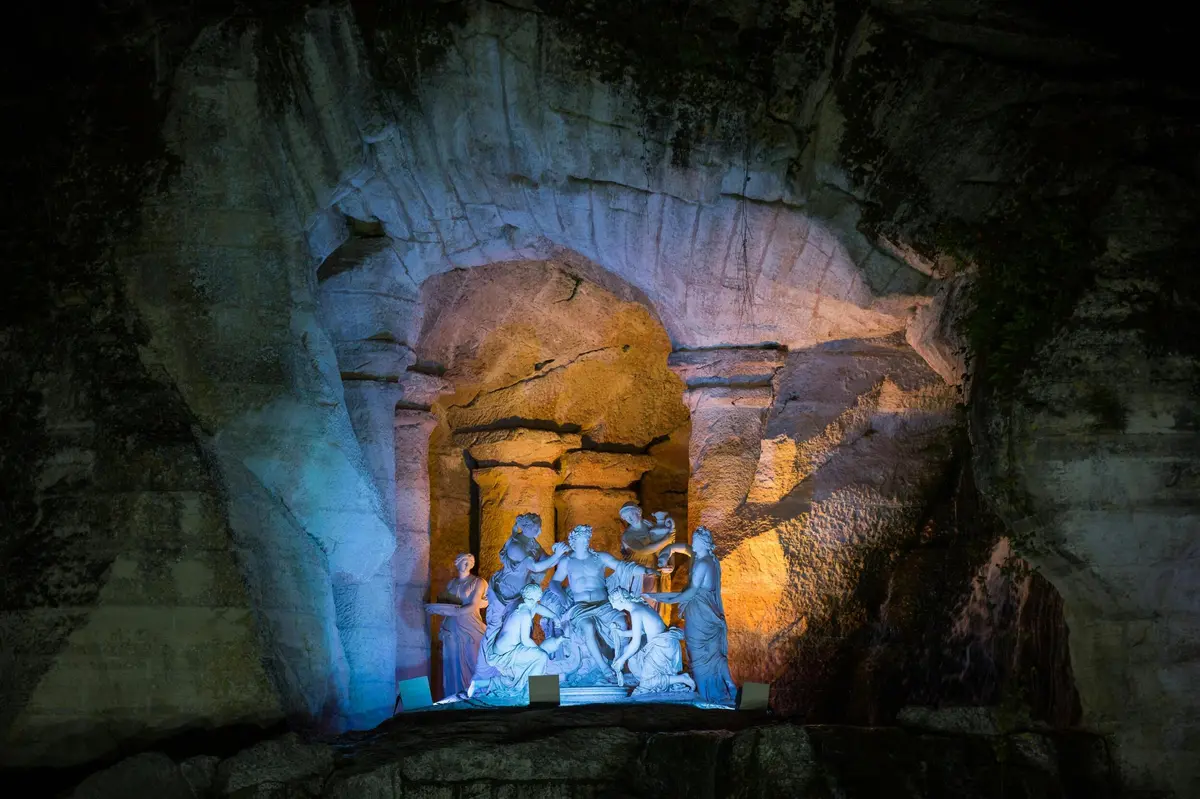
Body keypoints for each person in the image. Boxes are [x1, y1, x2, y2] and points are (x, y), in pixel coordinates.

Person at [647, 527, 736, 703]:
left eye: (695, 540)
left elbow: (691, 592)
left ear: (703, 543)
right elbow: (682, 548)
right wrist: (666, 552)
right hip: (707, 611)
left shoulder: (703, 564)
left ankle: (711, 695)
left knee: (698, 653)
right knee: (712, 653)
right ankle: (728, 686)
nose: (692, 543)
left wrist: (668, 600)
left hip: (700, 614)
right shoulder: (710, 560)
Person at [553, 524, 650, 683]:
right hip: (581, 606)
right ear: (573, 541)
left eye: (586, 539)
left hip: (604, 604)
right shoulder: (567, 561)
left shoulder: (600, 557)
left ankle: (621, 663)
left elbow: (623, 567)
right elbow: (554, 582)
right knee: (587, 627)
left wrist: (645, 571)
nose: (584, 543)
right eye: (581, 540)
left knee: (620, 622)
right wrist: (562, 594)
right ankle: (604, 669)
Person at [608, 587, 695, 695]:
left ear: (621, 600)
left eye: (613, 602)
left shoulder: (636, 611)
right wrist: (622, 633)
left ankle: (682, 678)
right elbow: (641, 631)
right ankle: (650, 679)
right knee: (631, 655)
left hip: (662, 646)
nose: (613, 606)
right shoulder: (638, 606)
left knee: (645, 685)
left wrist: (621, 660)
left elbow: (635, 644)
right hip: (661, 644)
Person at [424, 553, 487, 698]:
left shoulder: (478, 582)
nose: (467, 564)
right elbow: (444, 602)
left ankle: (475, 697)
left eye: (470, 562)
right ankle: (454, 696)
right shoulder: (451, 583)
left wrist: (450, 611)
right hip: (451, 627)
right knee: (452, 663)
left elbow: (473, 606)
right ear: (457, 563)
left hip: (470, 626)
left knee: (473, 662)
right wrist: (438, 609)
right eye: (464, 561)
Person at [483, 583, 564, 695]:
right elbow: (525, 640)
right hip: (507, 653)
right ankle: (538, 694)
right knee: (541, 656)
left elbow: (538, 608)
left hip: (503, 648)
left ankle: (534, 689)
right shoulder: (525, 614)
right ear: (538, 598)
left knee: (535, 658)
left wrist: (554, 616)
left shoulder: (523, 604)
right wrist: (540, 650)